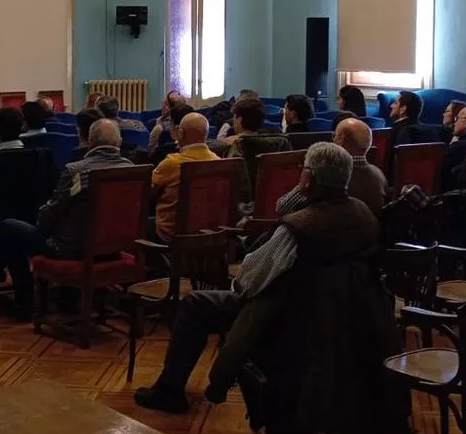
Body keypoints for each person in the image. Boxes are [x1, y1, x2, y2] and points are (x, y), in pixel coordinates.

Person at [135, 143, 378, 413]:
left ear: (308, 178)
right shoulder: (363, 213)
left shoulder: (299, 227)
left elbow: (247, 284)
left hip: (288, 312)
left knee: (195, 304)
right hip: (338, 311)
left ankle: (170, 390)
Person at [0, 119, 133, 312]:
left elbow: (50, 216)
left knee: (9, 226)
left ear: (89, 142)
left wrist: (40, 216)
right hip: (115, 247)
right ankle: (67, 296)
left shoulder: (76, 171)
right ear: (118, 143)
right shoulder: (132, 170)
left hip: (73, 248)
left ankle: (25, 302)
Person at [151, 113, 220, 241]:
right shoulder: (219, 162)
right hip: (210, 235)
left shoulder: (171, 163)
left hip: (171, 236)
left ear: (181, 133)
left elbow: (149, 192)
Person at [226, 98, 290, 202]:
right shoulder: (279, 142)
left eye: (234, 118)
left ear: (239, 119)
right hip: (273, 202)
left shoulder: (230, 145)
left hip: (244, 205)